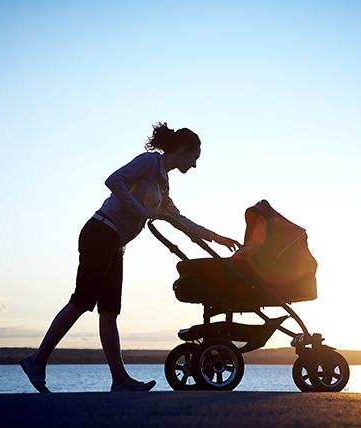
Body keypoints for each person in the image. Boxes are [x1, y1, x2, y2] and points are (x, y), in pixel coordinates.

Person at [20, 122, 241, 392]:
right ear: (183, 150)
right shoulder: (149, 162)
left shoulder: (163, 186)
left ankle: (120, 380)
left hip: (114, 242)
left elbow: (179, 219)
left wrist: (216, 237)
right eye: (194, 157)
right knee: (82, 301)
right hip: (100, 231)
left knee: (109, 311)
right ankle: (37, 360)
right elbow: (113, 180)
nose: (194, 165)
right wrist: (141, 211)